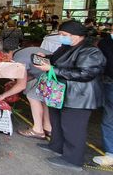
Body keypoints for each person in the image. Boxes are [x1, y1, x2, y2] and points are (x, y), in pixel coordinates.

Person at [34, 20, 106, 170]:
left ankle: (73, 160)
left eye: (64, 35)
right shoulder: (66, 47)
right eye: (60, 34)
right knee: (57, 120)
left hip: (80, 96)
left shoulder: (90, 51)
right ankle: (56, 146)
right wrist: (44, 58)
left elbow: (85, 74)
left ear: (77, 35)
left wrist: (52, 69)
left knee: (72, 127)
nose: (61, 37)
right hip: (62, 92)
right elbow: (55, 61)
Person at [0, 47, 52, 139]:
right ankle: (48, 128)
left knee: (32, 96)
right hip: (53, 75)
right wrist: (15, 83)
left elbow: (22, 85)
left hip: (53, 76)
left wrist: (3, 95)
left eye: (4, 58)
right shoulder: (22, 53)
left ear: (8, 53)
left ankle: (38, 130)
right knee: (43, 100)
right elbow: (34, 72)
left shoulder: (18, 60)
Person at [93, 31, 113, 166]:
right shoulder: (105, 42)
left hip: (109, 82)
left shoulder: (105, 43)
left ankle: (111, 153)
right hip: (109, 83)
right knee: (109, 117)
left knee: (109, 118)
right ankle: (110, 152)